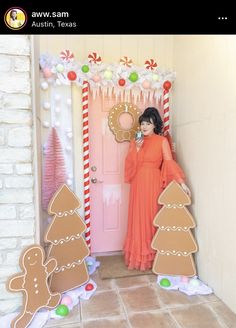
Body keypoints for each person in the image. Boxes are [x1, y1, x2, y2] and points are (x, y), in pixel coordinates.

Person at [123, 107, 191, 271]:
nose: (144, 126)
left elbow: (168, 163)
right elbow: (130, 164)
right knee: (138, 217)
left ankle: (155, 256)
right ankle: (139, 257)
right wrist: (137, 148)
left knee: (152, 216)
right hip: (138, 184)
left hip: (153, 183)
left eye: (148, 123)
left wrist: (181, 182)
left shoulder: (161, 141)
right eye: (142, 123)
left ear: (155, 124)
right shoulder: (136, 140)